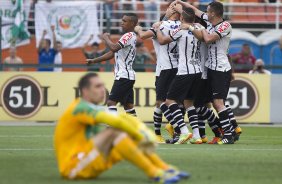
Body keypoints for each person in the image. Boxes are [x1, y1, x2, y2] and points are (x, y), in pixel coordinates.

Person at [54, 73, 190, 183]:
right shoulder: (79, 108)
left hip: (88, 159)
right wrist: (141, 133)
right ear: (85, 91)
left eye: (102, 86)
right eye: (97, 86)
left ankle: (165, 169)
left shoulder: (89, 107)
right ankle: (155, 173)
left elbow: (123, 118)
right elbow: (115, 120)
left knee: (122, 134)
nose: (103, 90)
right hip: (72, 168)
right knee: (115, 131)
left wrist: (141, 131)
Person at [177, 0, 238, 144]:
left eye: (208, 10)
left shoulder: (225, 26)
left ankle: (229, 134)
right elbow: (195, 11)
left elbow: (209, 39)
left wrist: (196, 28)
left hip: (220, 69)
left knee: (218, 103)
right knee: (205, 103)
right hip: (210, 68)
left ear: (213, 13)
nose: (205, 12)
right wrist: (181, 3)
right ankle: (225, 132)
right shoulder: (209, 21)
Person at [155, 7, 203, 144]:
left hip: (184, 71)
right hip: (197, 70)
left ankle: (183, 131)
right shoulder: (199, 27)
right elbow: (204, 38)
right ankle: (197, 136)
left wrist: (158, 28)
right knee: (189, 103)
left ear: (182, 18)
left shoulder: (180, 31)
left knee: (170, 100)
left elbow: (163, 41)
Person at [134, 5, 181, 143]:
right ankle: (159, 133)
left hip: (164, 69)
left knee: (161, 102)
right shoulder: (181, 26)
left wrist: (137, 28)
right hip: (178, 67)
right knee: (165, 103)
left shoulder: (159, 28)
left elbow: (142, 35)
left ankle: (177, 129)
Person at [87, 13, 138, 116]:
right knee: (128, 105)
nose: (121, 23)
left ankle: (112, 127)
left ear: (132, 23)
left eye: (124, 21)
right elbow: (112, 53)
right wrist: (94, 60)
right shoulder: (130, 36)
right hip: (128, 76)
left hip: (123, 75)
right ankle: (138, 130)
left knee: (111, 102)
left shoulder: (128, 35)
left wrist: (105, 38)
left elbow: (113, 48)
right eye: (122, 20)